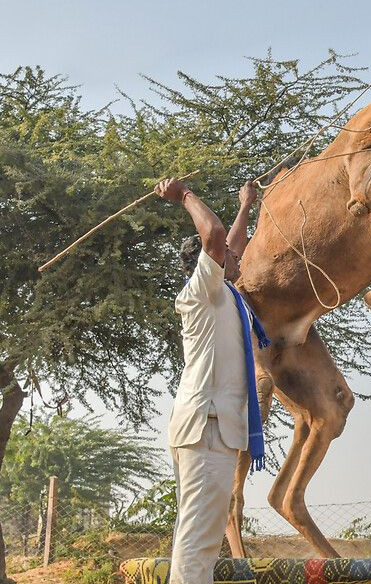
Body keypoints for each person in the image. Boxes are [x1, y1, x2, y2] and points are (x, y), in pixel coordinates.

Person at [158, 178, 266, 584]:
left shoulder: (223, 293)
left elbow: (228, 240)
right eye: (227, 258)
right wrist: (184, 194)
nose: (238, 257)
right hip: (208, 427)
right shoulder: (202, 292)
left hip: (212, 428)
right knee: (200, 536)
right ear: (209, 263)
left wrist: (246, 206)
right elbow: (216, 236)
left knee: (199, 529)